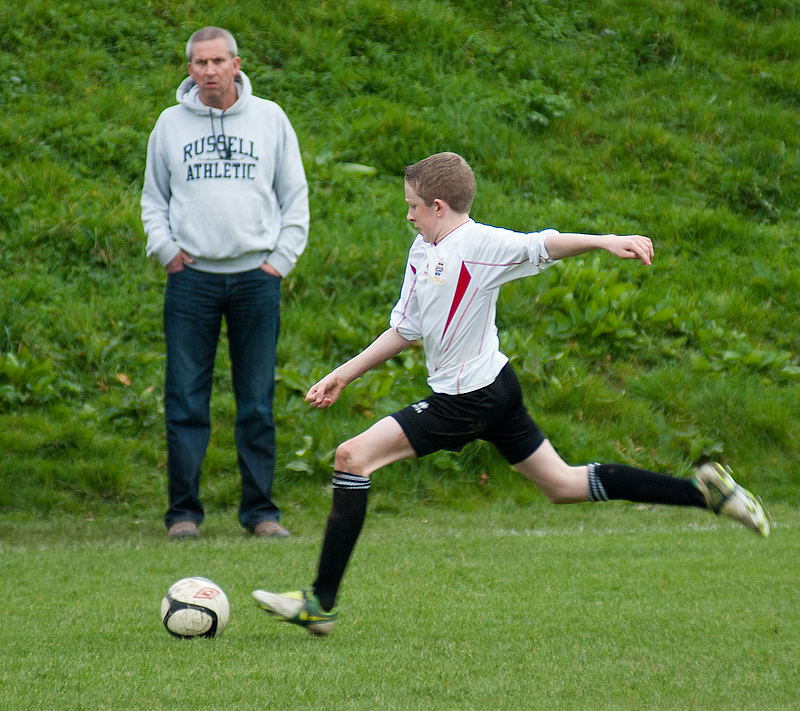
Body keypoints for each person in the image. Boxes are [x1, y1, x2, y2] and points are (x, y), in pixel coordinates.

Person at [252, 152, 769, 634]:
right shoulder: (422, 248)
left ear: (437, 206)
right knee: (563, 484)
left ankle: (319, 603)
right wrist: (345, 373)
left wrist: (605, 239)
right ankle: (703, 493)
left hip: (468, 399)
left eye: (413, 207)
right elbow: (406, 328)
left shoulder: (479, 245)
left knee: (352, 457)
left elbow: (542, 244)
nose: (408, 217)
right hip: (494, 387)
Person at [141, 27, 309, 539]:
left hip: (256, 279)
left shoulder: (271, 119)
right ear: (189, 69)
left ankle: (261, 513)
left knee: (256, 400)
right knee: (185, 399)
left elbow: (294, 196)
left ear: (236, 64)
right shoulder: (169, 125)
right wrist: (167, 252)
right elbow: (154, 199)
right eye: (199, 63)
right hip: (192, 282)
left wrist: (279, 260)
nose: (209, 71)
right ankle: (184, 515)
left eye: (218, 61)